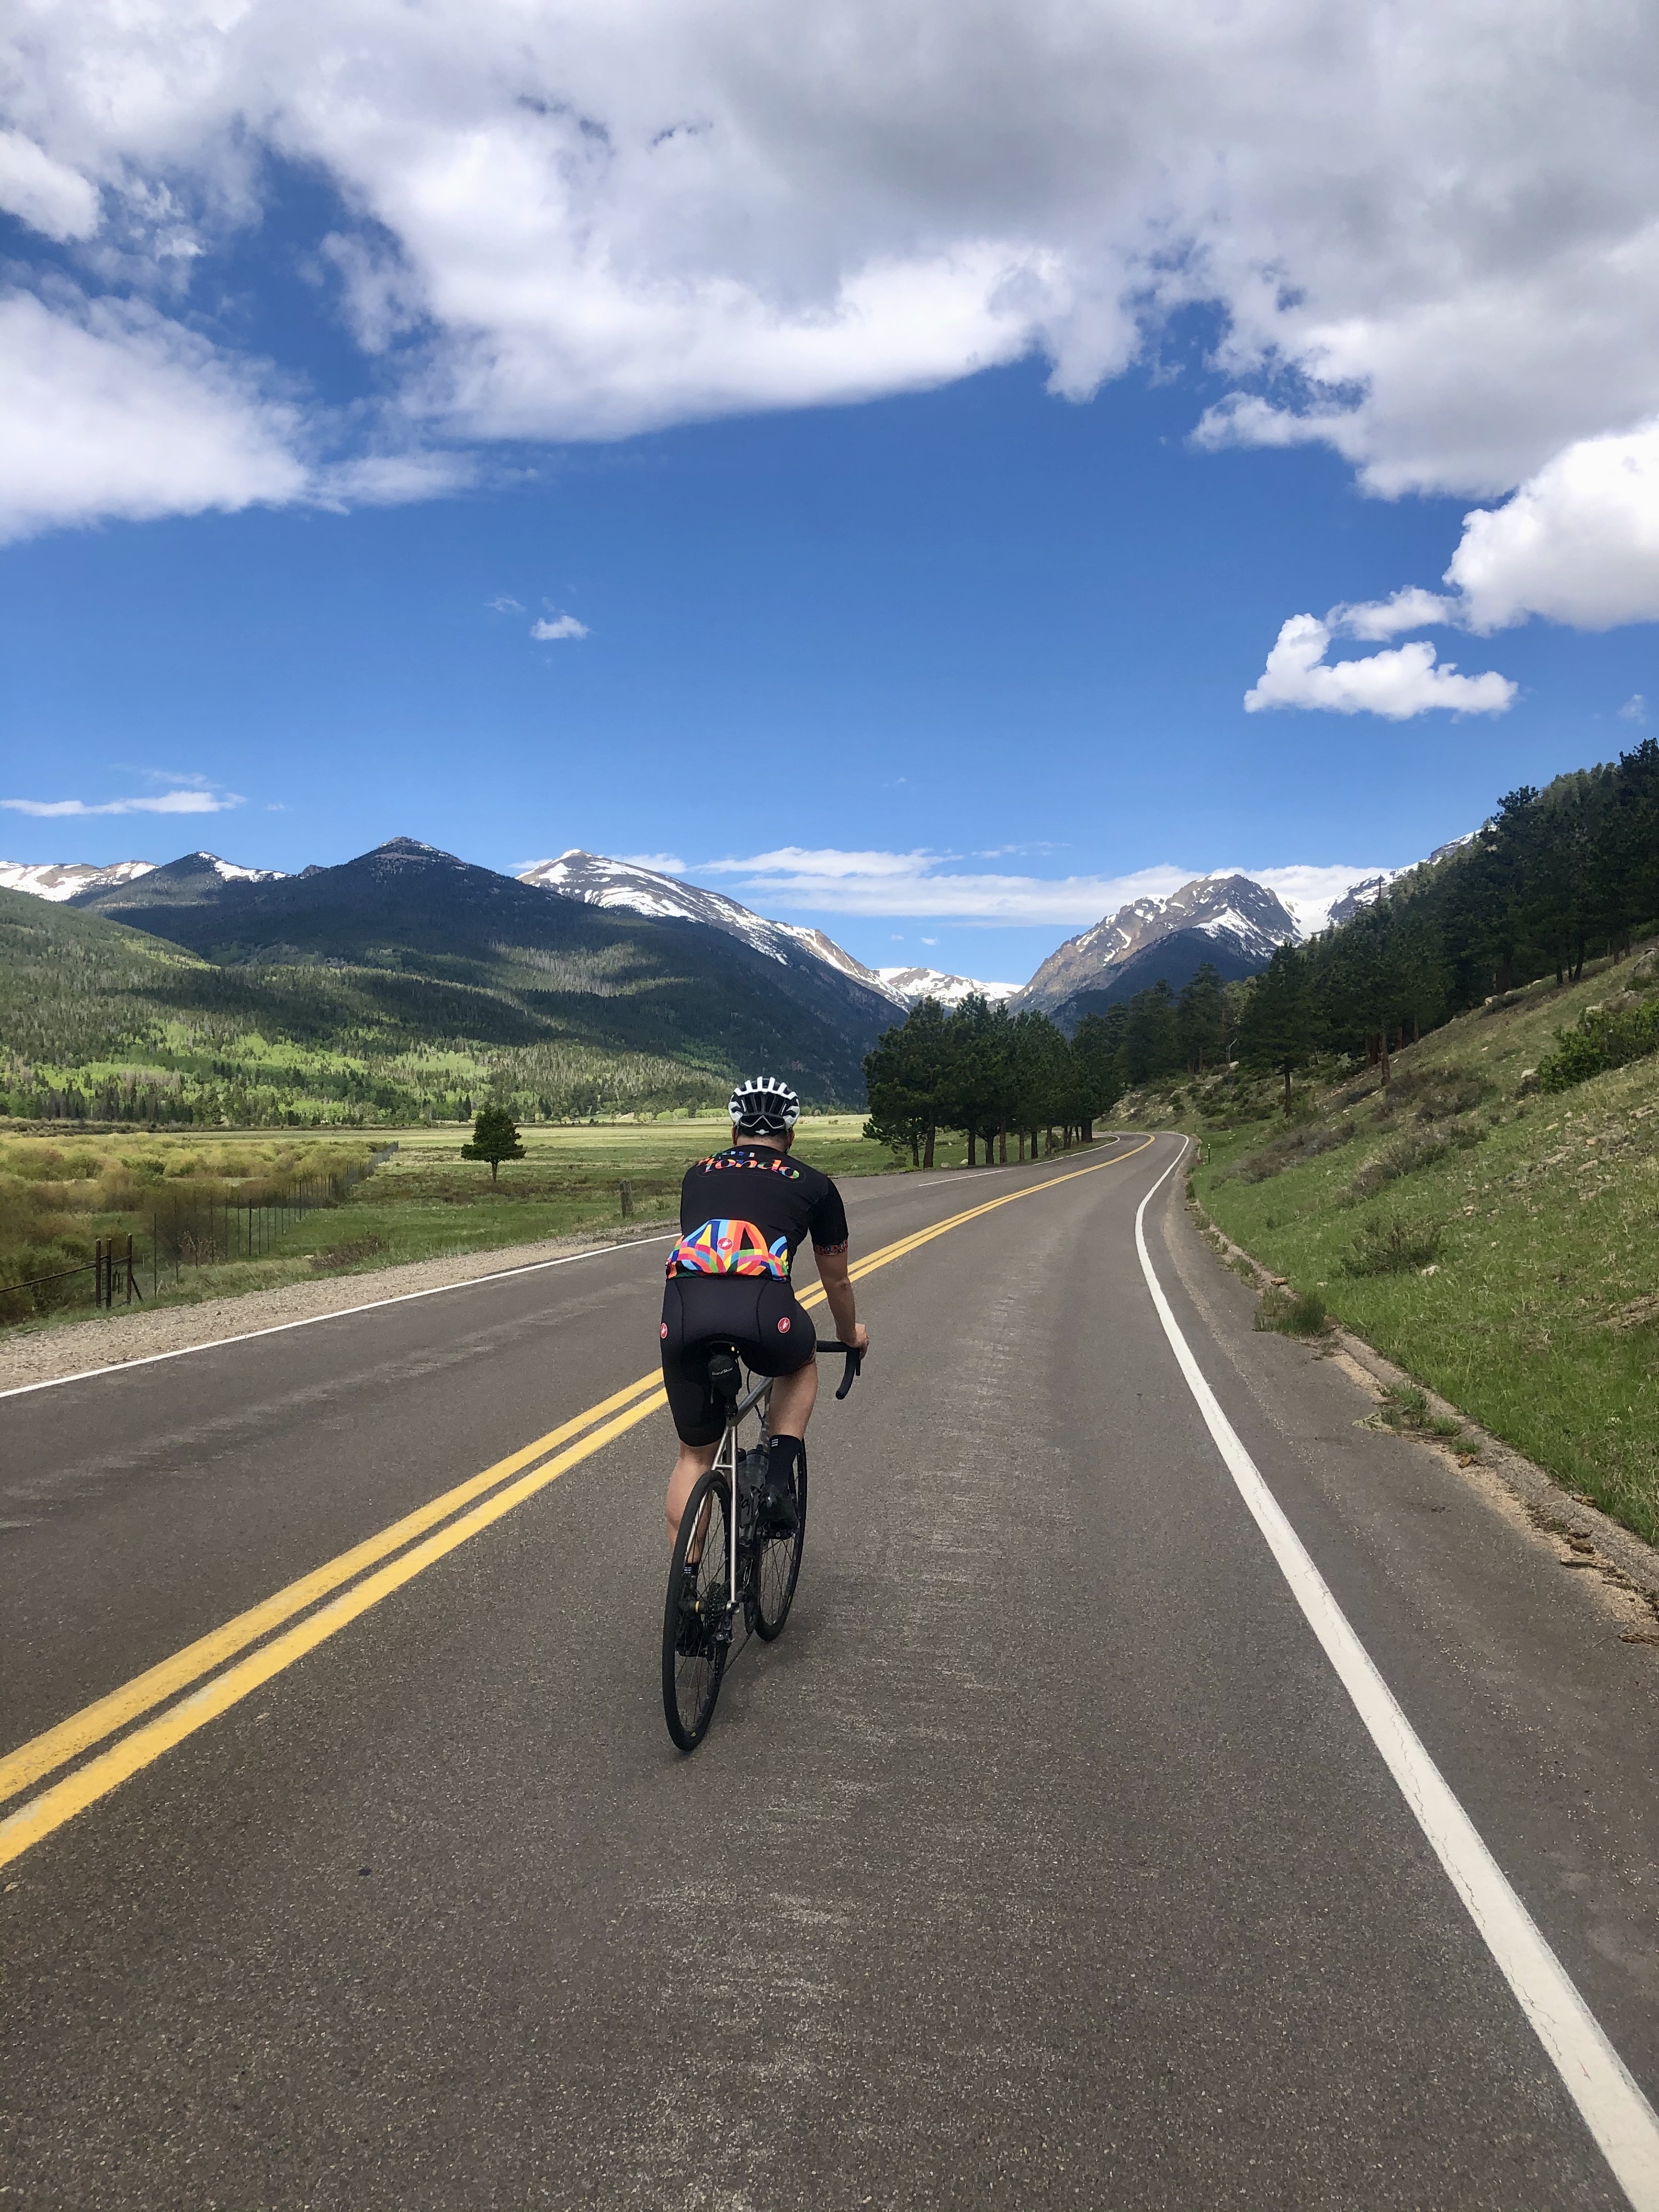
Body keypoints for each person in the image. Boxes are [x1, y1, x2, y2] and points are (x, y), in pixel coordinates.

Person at [661, 1075, 869, 1548]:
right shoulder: (815, 1185)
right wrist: (850, 1334)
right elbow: (835, 1279)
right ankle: (776, 1481)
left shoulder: (697, 1174)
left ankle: (688, 1599)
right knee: (801, 1362)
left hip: (684, 1313)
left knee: (694, 1458)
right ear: (789, 1137)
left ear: (734, 1133)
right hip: (763, 1314)